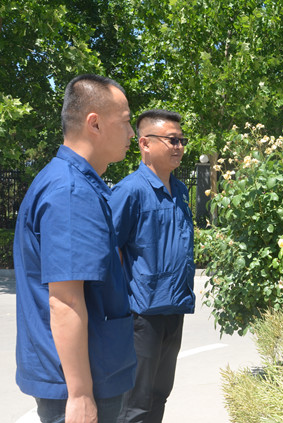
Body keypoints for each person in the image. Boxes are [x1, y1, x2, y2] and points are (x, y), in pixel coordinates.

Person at [14, 74, 137, 422]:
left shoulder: (76, 183)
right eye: (125, 121)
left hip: (93, 371)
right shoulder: (70, 192)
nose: (132, 133)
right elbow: (65, 300)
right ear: (94, 124)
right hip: (81, 383)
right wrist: (80, 394)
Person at [109, 109, 196, 423]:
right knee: (135, 402)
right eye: (172, 140)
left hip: (174, 308)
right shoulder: (129, 191)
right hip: (142, 315)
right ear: (145, 144)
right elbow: (110, 250)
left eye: (181, 140)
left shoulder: (180, 191)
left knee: (160, 394)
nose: (179, 147)